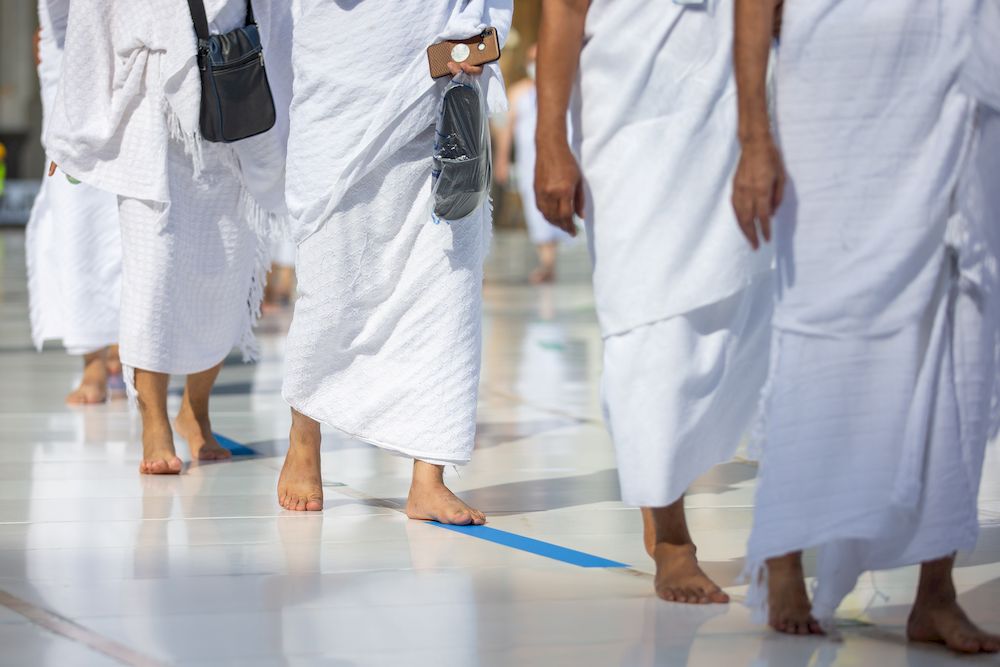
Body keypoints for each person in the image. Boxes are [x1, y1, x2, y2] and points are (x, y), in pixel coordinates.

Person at [732, 0, 1000, 653]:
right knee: (824, 319)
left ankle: (935, 591)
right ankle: (785, 552)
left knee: (960, 319)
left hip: (968, 82)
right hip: (842, 101)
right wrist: (755, 138)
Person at [535, 0, 773, 603]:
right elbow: (562, 10)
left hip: (732, 108)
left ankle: (779, 530)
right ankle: (671, 537)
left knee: (748, 313)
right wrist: (549, 141)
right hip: (627, 122)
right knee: (643, 321)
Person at [275, 1, 512, 523]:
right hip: (340, 91)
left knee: (446, 284)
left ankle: (429, 477)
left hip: (440, 80)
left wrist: (479, 31)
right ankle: (304, 438)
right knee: (330, 287)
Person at [44, 0, 292, 473]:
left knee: (225, 273)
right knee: (151, 273)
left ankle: (195, 410)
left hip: (231, 101)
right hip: (150, 112)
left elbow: (278, 17)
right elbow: (91, 21)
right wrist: (71, 132)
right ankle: (153, 418)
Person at [27, 0, 123, 406]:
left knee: (131, 204)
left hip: (131, 49)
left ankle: (126, 342)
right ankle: (92, 357)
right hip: (66, 53)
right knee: (76, 209)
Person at [493, 44, 572, 284]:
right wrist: (502, 160)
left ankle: (551, 261)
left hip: (560, 156)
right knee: (535, 208)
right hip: (530, 161)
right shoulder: (518, 93)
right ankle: (547, 262)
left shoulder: (564, 88)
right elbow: (507, 130)